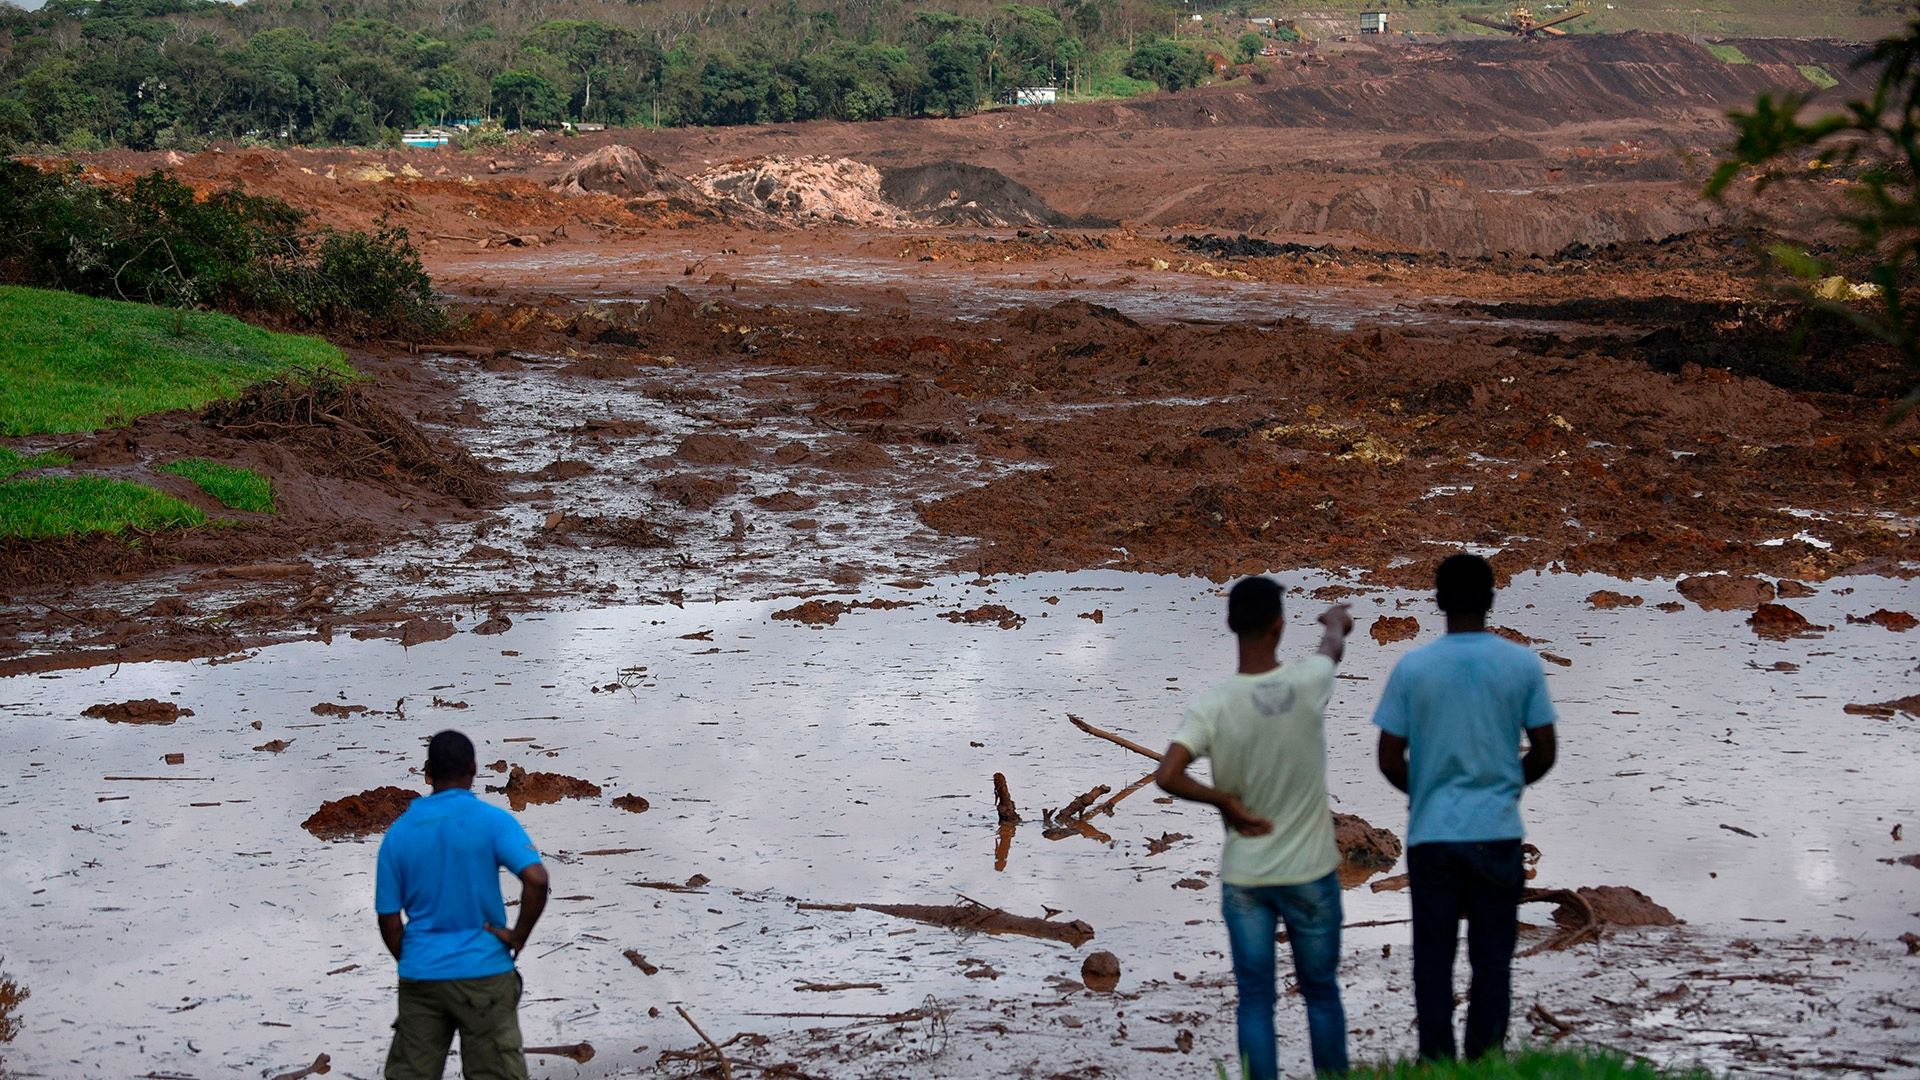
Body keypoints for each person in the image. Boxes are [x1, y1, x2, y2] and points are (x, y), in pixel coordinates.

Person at [1155, 576, 1356, 1079]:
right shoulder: (1308, 682)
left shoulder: (1213, 705)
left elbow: (1168, 775)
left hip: (1246, 877)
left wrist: (1223, 800)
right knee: (1322, 995)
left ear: (1230, 624)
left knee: (1255, 1001)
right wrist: (1335, 621)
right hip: (1310, 874)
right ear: (1279, 626)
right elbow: (1331, 648)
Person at [1373, 553, 1558, 1062]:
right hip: (1497, 833)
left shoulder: (1413, 668)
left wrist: (1427, 792)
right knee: (1493, 962)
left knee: (1433, 962)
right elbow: (1545, 752)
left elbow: (1388, 758)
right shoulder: (1521, 664)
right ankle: (1486, 1063)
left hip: (1432, 837)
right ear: (1492, 599)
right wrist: (1505, 786)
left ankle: (1436, 1064)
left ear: (1437, 601)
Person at [375, 730, 550, 1080]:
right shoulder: (493, 821)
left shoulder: (398, 833)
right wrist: (517, 937)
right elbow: (536, 879)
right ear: (473, 769)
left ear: (428, 772)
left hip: (422, 975)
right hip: (484, 975)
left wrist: (416, 959)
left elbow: (389, 919)